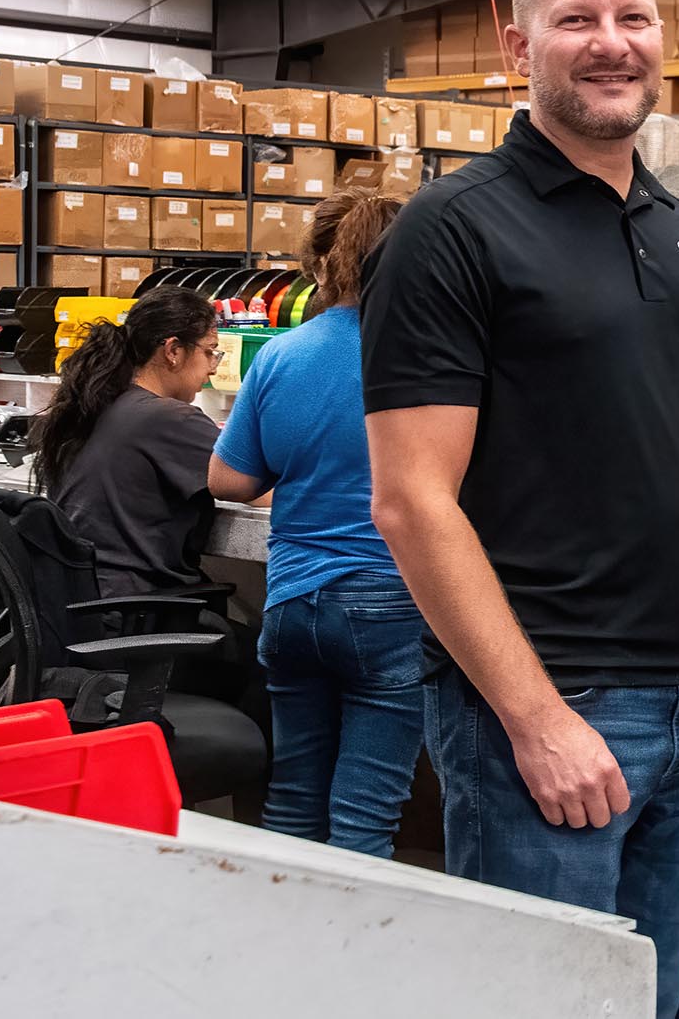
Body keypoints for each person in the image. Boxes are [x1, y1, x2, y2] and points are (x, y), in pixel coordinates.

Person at [362, 0, 679, 1019]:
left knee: (650, 998)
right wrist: (534, 717)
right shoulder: (453, 229)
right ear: (519, 46)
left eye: (631, 19)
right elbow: (410, 500)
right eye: (576, 20)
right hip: (548, 705)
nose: (610, 44)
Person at [208, 189, 423, 858]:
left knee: (294, 798)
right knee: (366, 814)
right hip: (392, 601)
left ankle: (285, 949)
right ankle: (353, 959)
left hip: (295, 600)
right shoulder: (430, 356)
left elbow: (230, 481)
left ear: (316, 266)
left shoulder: (280, 355)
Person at [33, 285, 222, 598]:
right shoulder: (170, 418)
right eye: (209, 351)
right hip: (134, 609)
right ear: (173, 351)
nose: (212, 367)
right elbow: (251, 484)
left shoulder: (95, 403)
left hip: (83, 605)